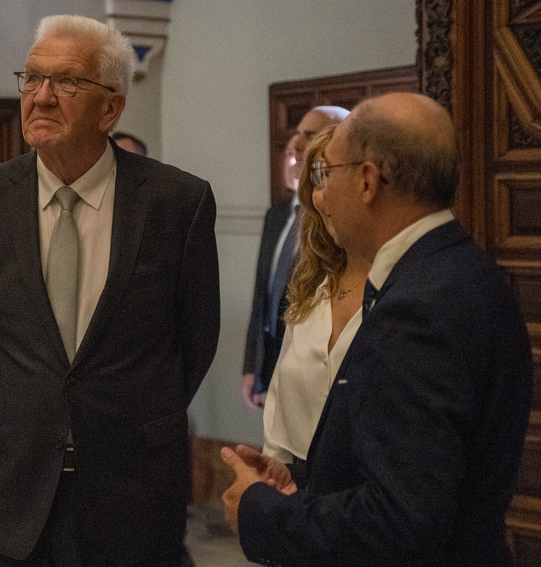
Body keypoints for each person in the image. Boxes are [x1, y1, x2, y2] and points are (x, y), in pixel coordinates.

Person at [0, 15, 221, 565]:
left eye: (66, 82)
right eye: (32, 78)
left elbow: (195, 342)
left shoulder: (176, 204)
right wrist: (33, 405)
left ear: (111, 109)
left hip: (134, 488)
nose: (41, 97)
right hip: (14, 486)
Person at [222, 93, 532, 565]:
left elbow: (399, 521)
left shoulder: (418, 309)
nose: (319, 192)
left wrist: (260, 510)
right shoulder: (459, 271)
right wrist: (301, 486)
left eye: (329, 172)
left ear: (367, 180)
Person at [262, 125, 370, 464]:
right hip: (295, 483)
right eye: (315, 182)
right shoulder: (311, 288)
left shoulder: (405, 290)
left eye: (328, 178)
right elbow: (280, 401)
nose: (320, 198)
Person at [241, 105, 347, 408]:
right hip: (273, 355)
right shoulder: (276, 214)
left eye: (310, 135)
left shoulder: (341, 222)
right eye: (295, 135)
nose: (295, 145)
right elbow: (260, 295)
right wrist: (252, 365)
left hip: (316, 368)